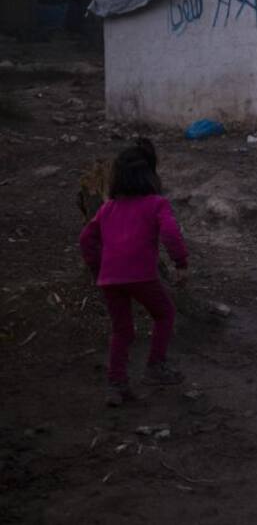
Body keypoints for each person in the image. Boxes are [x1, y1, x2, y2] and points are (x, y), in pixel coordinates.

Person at [79, 146, 189, 406]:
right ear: (150, 176)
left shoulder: (107, 209)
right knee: (164, 313)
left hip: (110, 278)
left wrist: (98, 268)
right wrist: (180, 262)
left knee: (122, 330)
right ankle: (155, 366)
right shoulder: (156, 204)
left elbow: (86, 239)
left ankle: (116, 385)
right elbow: (171, 234)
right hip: (141, 276)